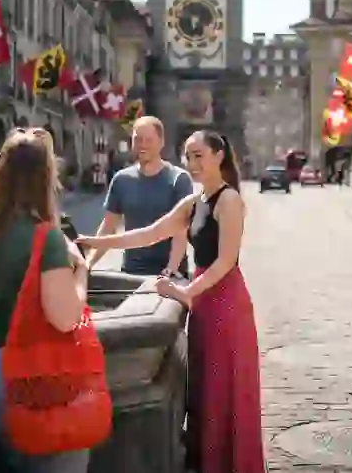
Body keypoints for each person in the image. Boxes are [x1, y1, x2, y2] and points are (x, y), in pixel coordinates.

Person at [77, 131, 266, 473]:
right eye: (187, 157)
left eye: (198, 156)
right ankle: (208, 461)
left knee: (226, 387)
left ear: (218, 155)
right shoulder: (193, 202)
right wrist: (91, 240)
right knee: (205, 387)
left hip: (226, 303)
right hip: (204, 301)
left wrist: (184, 293)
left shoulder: (230, 201)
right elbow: (148, 233)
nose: (191, 164)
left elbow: (225, 262)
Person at [0, 127, 91, 472]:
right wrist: (81, 272)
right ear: (45, 177)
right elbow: (66, 318)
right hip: (45, 384)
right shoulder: (47, 238)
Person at [86, 116, 194, 277]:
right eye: (138, 139)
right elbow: (108, 226)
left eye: (149, 140)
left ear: (161, 142)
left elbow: (180, 234)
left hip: (169, 274)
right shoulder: (121, 180)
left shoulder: (179, 179)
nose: (143, 145)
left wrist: (171, 271)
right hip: (132, 271)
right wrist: (88, 263)